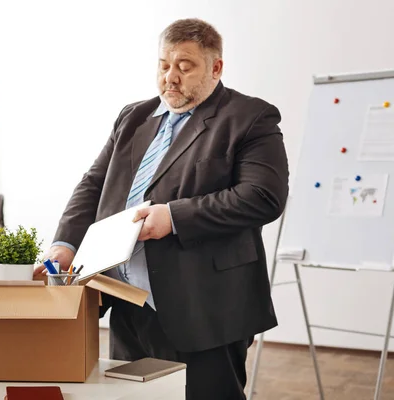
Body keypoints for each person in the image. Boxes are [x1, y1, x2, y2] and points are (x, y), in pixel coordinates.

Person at [35, 18, 289, 399]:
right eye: (163, 65)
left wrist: (173, 218)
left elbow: (262, 196)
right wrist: (64, 245)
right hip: (128, 303)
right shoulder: (133, 116)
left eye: (185, 66)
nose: (171, 77)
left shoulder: (250, 117)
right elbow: (94, 184)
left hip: (205, 307)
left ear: (215, 68)